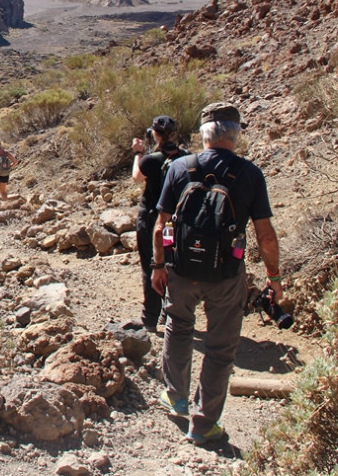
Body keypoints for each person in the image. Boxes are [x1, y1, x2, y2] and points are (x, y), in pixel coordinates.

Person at [151, 102, 282, 445]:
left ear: (204, 135)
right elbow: (266, 236)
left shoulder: (180, 167)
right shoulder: (250, 174)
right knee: (221, 347)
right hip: (226, 274)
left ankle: (175, 396)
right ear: (235, 135)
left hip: (179, 269)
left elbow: (160, 226)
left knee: (178, 326)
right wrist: (275, 278)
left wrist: (159, 265)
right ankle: (204, 422)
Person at [131, 115, 188, 332]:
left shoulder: (150, 160)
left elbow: (137, 177)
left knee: (152, 265)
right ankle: (171, 310)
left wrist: (138, 152)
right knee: (173, 263)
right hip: (177, 221)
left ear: (154, 134)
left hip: (152, 218)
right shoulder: (186, 158)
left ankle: (150, 318)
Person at [0, 137, 19, 202]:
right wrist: (9, 167)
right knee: (3, 192)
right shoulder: (6, 152)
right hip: (5, 175)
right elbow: (15, 162)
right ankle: (6, 205)